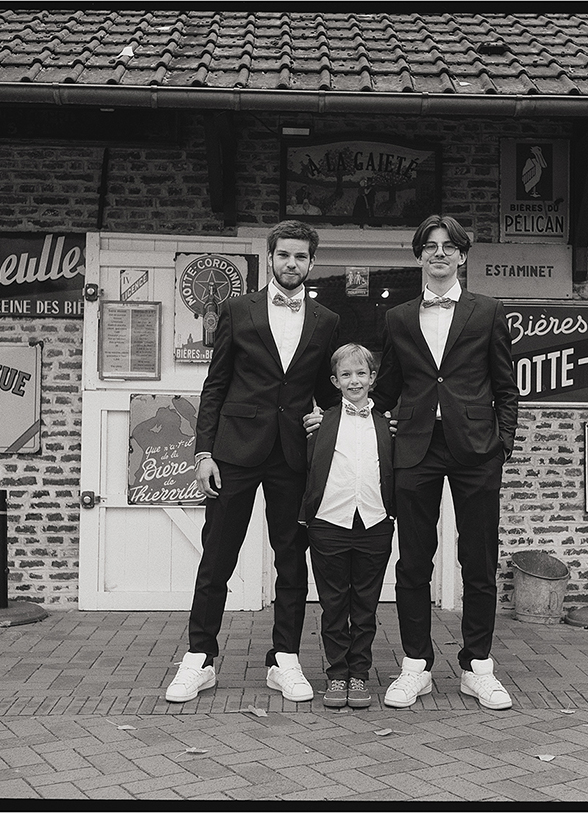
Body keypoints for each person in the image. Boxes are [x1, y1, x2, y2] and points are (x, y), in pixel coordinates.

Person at [165, 220, 340, 704]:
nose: (292, 264)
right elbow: (215, 385)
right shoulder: (237, 310)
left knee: (291, 559)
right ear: (271, 258)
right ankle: (199, 658)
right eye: (284, 255)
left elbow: (325, 391)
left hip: (292, 456)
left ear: (312, 262)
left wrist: (326, 417)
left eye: (301, 257)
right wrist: (203, 452)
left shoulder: (326, 320)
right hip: (234, 452)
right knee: (218, 556)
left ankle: (284, 658)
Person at [371, 214, 518, 710]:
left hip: (476, 448)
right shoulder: (397, 317)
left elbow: (506, 387)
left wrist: (503, 445)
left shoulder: (488, 311)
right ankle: (416, 665)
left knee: (477, 561)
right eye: (430, 245)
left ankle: (478, 666)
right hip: (415, 447)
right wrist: (372, 422)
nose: (439, 253)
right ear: (419, 255)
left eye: (448, 246)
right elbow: (387, 386)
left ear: (461, 255)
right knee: (413, 560)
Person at [299, 344, 395, 709]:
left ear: (372, 378)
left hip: (374, 520)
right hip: (329, 522)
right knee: (334, 603)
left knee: (366, 605)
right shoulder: (321, 423)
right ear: (335, 381)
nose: (354, 380)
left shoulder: (387, 423)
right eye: (346, 375)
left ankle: (360, 674)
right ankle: (337, 674)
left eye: (361, 374)